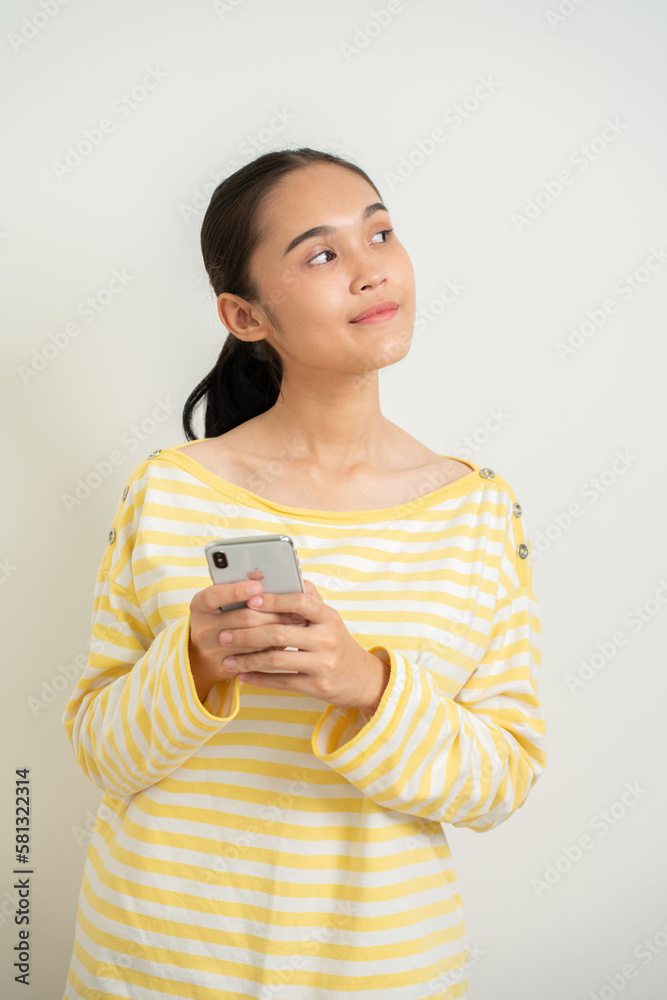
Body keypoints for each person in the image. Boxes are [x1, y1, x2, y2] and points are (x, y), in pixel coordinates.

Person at [61, 147, 547, 1000]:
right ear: (244, 316)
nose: (370, 271)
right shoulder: (171, 488)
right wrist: (196, 666)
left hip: (381, 974)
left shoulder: (478, 511)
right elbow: (102, 753)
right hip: (152, 964)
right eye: (321, 255)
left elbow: (499, 781)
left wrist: (367, 686)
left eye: (380, 234)